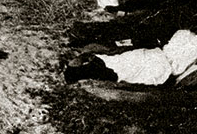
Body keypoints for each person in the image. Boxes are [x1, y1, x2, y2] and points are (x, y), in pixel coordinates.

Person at [64, 29, 197, 87]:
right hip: (157, 63)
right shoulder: (105, 68)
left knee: (185, 39)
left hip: (155, 59)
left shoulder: (103, 59)